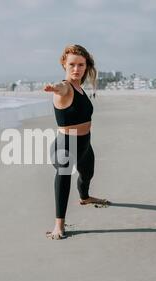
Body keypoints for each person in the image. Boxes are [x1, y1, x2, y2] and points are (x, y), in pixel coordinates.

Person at [43, 44, 111, 240]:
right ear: (64, 64)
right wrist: (54, 88)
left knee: (87, 173)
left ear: (86, 66)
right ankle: (59, 225)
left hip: (84, 144)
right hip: (66, 145)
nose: (76, 69)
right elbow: (61, 88)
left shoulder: (80, 88)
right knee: (64, 177)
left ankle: (85, 197)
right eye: (72, 64)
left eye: (81, 64)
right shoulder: (65, 87)